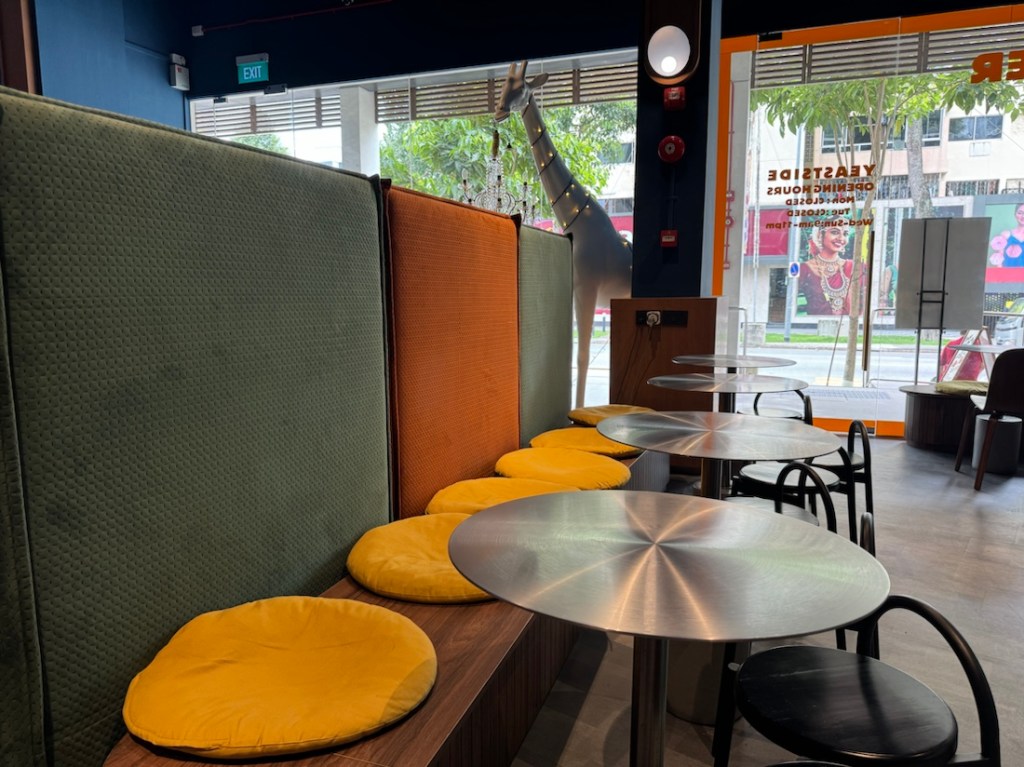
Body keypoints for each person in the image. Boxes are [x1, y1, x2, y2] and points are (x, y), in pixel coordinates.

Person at [798, 220, 854, 315]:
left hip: (848, 323)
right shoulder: (804, 269)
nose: (841, 238)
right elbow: (789, 300)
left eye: (845, 234)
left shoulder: (852, 267)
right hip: (814, 323)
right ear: (820, 235)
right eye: (834, 232)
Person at [989, 202, 1024, 267]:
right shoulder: (1006, 235)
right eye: (1020, 213)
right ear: (1015, 214)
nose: (1023, 216)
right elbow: (999, 262)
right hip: (1008, 272)